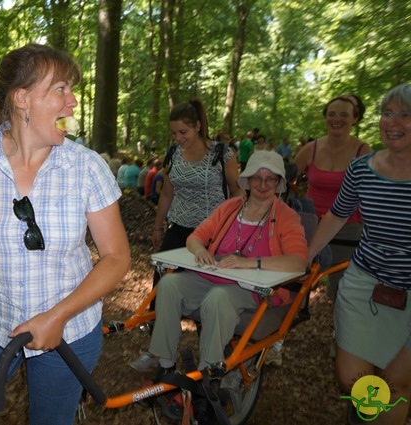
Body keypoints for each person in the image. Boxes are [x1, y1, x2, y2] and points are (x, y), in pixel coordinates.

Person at [0, 44, 130, 425]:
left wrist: (57, 316)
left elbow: (117, 257)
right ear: (22, 99)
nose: (74, 102)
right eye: (61, 89)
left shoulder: (86, 168)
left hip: (68, 334)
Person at [130, 151, 307, 376]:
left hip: (251, 289)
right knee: (168, 285)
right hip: (210, 277)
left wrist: (249, 263)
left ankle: (209, 372)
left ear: (279, 183)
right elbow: (195, 238)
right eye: (257, 178)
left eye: (270, 179)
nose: (263, 184)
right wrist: (200, 249)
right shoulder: (230, 208)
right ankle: (164, 364)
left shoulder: (286, 217)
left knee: (218, 298)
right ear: (248, 180)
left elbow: (298, 262)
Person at [307, 83, 411, 425]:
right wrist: (305, 255)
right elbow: (337, 215)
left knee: (395, 382)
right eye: (387, 113)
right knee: (354, 380)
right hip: (364, 283)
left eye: (405, 114)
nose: (393, 122)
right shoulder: (361, 168)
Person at [150, 100, 244, 308]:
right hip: (179, 227)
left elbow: (237, 191)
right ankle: (157, 324)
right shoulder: (173, 154)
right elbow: (167, 193)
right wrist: (158, 227)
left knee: (206, 282)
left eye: (183, 132)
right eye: (174, 133)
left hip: (212, 232)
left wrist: (236, 224)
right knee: (162, 275)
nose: (178, 138)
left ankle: (207, 328)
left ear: (198, 126)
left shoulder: (221, 153)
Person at [292, 95, 372, 302]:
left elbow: (371, 196)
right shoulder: (310, 149)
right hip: (309, 226)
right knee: (294, 284)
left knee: (343, 290)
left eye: (344, 115)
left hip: (348, 228)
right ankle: (279, 331)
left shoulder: (364, 152)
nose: (337, 119)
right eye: (331, 114)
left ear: (355, 118)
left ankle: (343, 331)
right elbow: (284, 181)